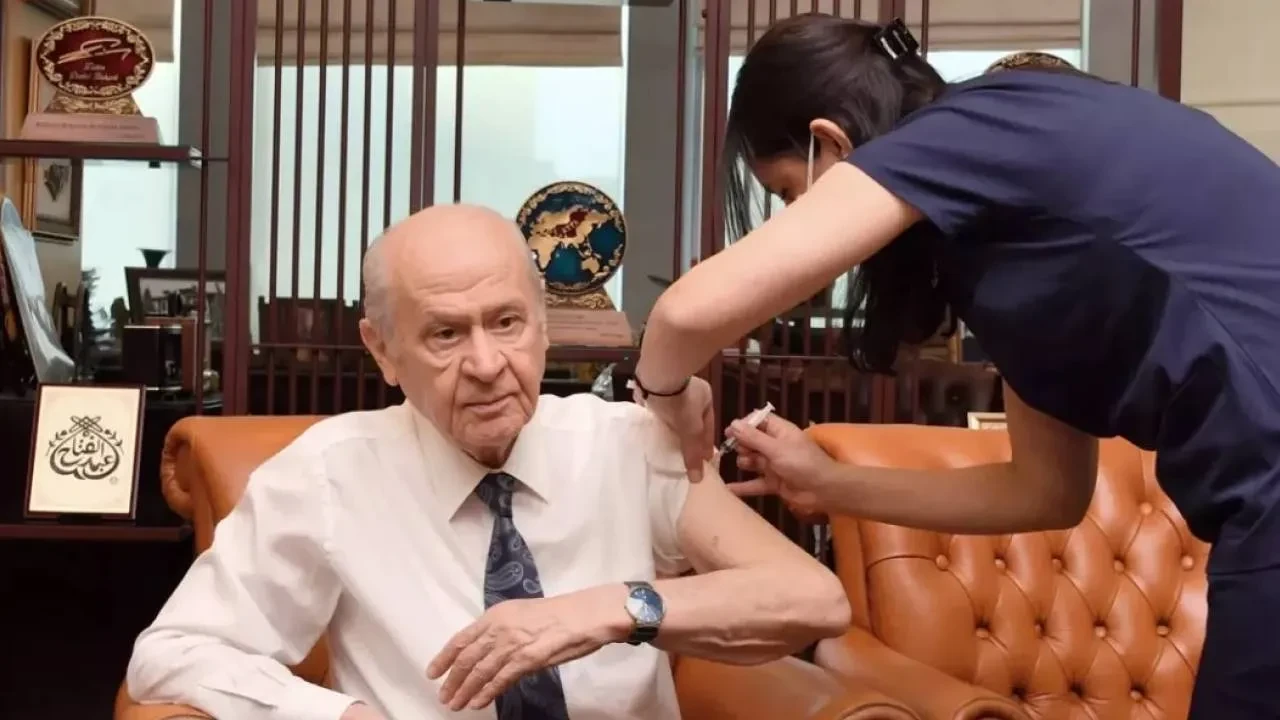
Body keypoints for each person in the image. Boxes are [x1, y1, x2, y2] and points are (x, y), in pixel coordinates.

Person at [631, 13, 1280, 718]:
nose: (794, 217)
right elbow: (1045, 491)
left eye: (788, 193)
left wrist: (666, 393)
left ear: (831, 143)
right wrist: (828, 483)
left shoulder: (963, 132)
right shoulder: (1004, 227)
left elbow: (684, 314)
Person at [125, 204, 851, 720]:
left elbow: (814, 601)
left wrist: (605, 610)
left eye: (507, 323)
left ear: (543, 326)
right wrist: (336, 716)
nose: (486, 364)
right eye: (445, 334)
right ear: (382, 350)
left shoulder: (627, 443)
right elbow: (171, 653)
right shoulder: (326, 475)